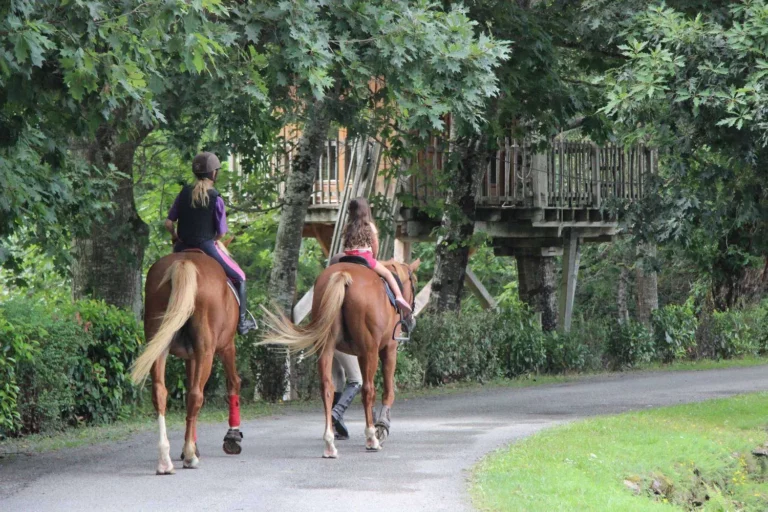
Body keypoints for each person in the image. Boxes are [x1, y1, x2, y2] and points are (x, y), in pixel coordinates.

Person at [164, 152, 257, 335]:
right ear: (214, 174)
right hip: (206, 246)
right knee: (240, 277)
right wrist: (212, 240)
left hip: (182, 246)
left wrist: (175, 235)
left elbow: (168, 223)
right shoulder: (216, 198)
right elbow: (222, 232)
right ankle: (242, 323)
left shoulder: (183, 194)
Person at [342, 198, 412, 315]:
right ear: (366, 211)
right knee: (388, 274)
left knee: (334, 261)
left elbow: (345, 243)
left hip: (348, 256)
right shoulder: (370, 226)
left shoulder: (348, 226)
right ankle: (399, 297)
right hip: (365, 258)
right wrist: (374, 256)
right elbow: (375, 245)